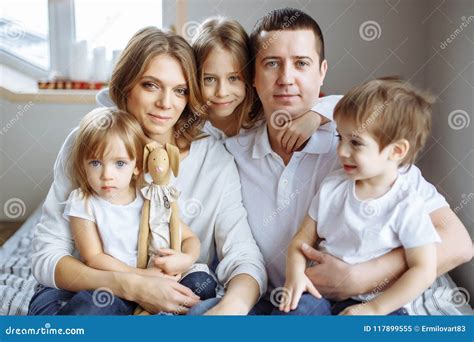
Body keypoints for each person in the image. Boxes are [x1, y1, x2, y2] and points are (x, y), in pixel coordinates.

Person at [189, 7, 472, 315]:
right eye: (272, 64)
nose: (286, 78)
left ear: (321, 71)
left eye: (301, 63)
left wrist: (362, 277)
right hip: (292, 305)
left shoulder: (356, 141)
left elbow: (458, 242)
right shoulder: (231, 154)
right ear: (253, 76)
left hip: (372, 304)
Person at [29, 26, 266, 316]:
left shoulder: (215, 160)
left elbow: (243, 254)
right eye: (150, 85)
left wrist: (232, 306)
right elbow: (47, 257)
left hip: (175, 288)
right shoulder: (87, 144)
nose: (165, 104)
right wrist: (132, 285)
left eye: (179, 91)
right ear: (126, 86)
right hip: (86, 289)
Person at [281, 78, 440, 315]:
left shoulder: (407, 203)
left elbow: (424, 269)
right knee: (295, 314)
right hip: (321, 293)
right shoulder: (332, 186)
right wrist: (295, 276)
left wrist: (374, 308)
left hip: (380, 303)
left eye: (355, 142)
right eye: (340, 138)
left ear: (396, 151)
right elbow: (299, 242)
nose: (342, 151)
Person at [193, 16, 338, 150]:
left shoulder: (263, 108)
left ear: (250, 75)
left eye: (233, 78)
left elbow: (350, 103)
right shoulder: (190, 126)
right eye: (209, 79)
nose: (222, 92)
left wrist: (316, 116)